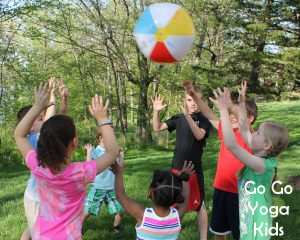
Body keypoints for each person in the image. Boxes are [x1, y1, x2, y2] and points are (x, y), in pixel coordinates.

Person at [14, 82, 120, 239]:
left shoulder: (37, 166)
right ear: (74, 142)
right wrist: (103, 119)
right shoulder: (81, 172)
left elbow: (19, 135)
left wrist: (37, 106)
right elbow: (112, 153)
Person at [210, 86, 289, 240]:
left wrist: (224, 112)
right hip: (249, 214)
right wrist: (235, 105)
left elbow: (232, 145)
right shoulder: (261, 154)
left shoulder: (261, 165)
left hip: (255, 220)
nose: (254, 133)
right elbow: (244, 128)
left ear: (266, 145)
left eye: (258, 132)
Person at [186, 80, 257, 240]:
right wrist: (194, 97)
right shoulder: (226, 131)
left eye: (235, 113)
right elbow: (208, 113)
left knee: (241, 233)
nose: (231, 116)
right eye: (230, 114)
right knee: (219, 231)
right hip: (221, 189)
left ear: (250, 118)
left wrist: (240, 100)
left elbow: (244, 121)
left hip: (240, 194)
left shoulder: (251, 136)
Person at [152, 82, 212, 240]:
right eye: (189, 100)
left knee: (200, 205)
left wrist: (188, 116)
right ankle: (170, 234)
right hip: (177, 169)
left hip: (194, 169)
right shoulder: (179, 118)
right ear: (184, 101)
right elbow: (157, 127)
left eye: (196, 100)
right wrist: (156, 112)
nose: (193, 104)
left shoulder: (204, 119)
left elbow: (199, 135)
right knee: (175, 204)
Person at [19, 77, 61, 240]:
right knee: (39, 233)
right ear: (29, 124)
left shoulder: (36, 137)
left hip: (42, 196)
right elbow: (50, 120)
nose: (43, 121)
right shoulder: (33, 139)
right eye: (39, 118)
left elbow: (51, 120)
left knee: (34, 229)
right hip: (37, 198)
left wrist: (53, 98)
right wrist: (50, 96)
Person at [113, 158, 194, 239]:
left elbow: (120, 195)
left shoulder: (142, 215)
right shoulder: (177, 216)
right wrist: (185, 178)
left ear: (150, 192)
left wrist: (118, 172)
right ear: (176, 198)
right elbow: (186, 196)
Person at [84, 131, 123, 233]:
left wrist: (120, 156)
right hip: (98, 187)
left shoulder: (113, 152)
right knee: (88, 211)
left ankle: (116, 229)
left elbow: (120, 168)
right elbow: (88, 168)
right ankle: (76, 229)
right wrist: (88, 152)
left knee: (119, 211)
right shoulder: (95, 151)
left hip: (112, 187)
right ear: (101, 138)